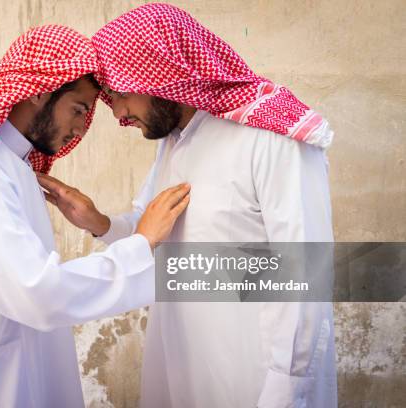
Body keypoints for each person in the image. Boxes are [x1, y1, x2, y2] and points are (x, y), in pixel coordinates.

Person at [40, 4, 336, 407]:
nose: (121, 114)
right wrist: (101, 223)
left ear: (159, 73)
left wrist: (285, 393)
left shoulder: (273, 140)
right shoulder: (175, 142)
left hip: (255, 379)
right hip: (182, 370)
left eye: (123, 95)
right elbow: (156, 235)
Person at [0, 24, 190, 407]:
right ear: (38, 91)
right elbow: (39, 292)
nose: (81, 128)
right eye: (79, 110)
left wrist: (102, 224)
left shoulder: (12, 167)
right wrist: (140, 244)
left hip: (23, 371)